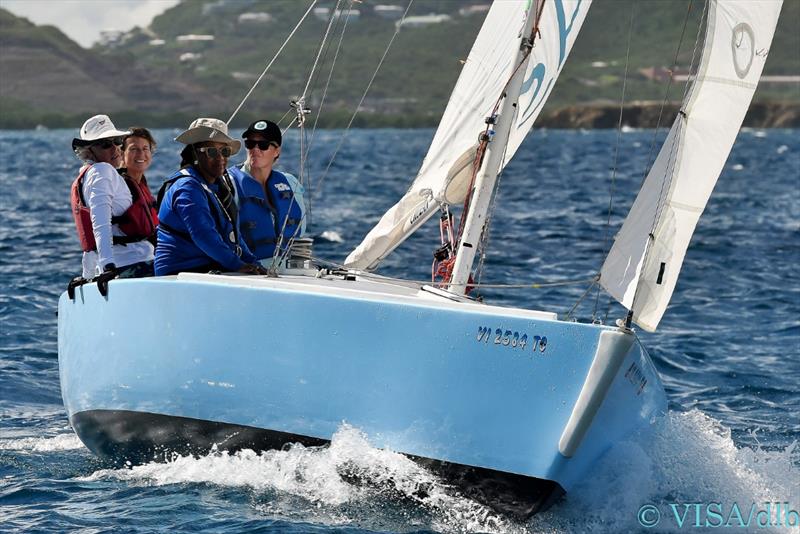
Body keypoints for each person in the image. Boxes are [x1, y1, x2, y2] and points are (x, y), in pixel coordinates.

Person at [154, 117, 265, 276]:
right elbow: (203, 235)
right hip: (178, 274)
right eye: (212, 151)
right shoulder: (187, 188)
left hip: (210, 270)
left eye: (225, 151)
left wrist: (253, 264)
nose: (220, 158)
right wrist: (237, 265)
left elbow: (236, 238)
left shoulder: (217, 187)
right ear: (194, 154)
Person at [70, 114, 155, 279]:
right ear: (89, 150)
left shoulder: (88, 175)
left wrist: (87, 275)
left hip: (126, 264)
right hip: (134, 264)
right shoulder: (103, 171)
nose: (115, 148)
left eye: (117, 141)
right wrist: (108, 265)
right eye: (105, 145)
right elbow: (100, 224)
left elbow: (90, 238)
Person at [227, 119, 306, 261]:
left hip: (287, 269)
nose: (255, 149)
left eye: (263, 145)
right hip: (247, 269)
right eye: (250, 144)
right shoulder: (229, 183)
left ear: (277, 151)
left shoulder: (290, 183)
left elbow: (301, 229)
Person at [118, 127, 159, 248]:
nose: (141, 154)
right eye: (134, 149)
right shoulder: (119, 185)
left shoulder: (140, 183)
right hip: (128, 258)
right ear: (121, 153)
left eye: (145, 149)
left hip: (146, 252)